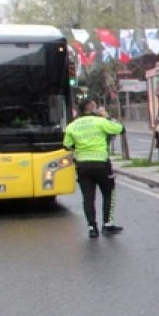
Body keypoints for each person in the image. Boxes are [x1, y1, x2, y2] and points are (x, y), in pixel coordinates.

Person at [63, 99, 125, 238]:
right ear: (92, 108)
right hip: (101, 163)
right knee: (109, 192)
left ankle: (92, 227)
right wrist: (105, 116)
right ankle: (107, 225)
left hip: (83, 165)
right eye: (96, 106)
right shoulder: (100, 121)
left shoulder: (72, 125)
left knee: (88, 197)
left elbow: (67, 145)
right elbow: (121, 129)